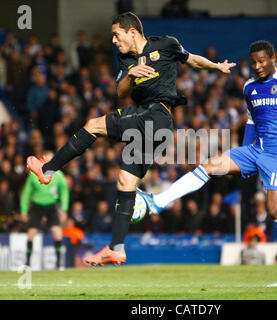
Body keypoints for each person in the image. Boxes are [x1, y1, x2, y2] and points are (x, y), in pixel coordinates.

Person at [26, 12, 235, 266]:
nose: (113, 40)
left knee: (93, 125)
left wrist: (216, 66)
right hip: (151, 124)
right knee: (125, 182)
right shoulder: (126, 59)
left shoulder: (166, 44)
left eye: (116, 34)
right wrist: (131, 74)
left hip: (156, 115)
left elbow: (192, 60)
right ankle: (117, 247)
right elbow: (121, 92)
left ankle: (47, 169)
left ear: (132, 32)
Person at [139, 40, 277, 285]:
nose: (256, 66)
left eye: (261, 61)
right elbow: (252, 122)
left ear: (272, 59)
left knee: (274, 209)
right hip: (255, 149)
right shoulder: (249, 87)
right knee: (209, 164)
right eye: (253, 61)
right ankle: (159, 201)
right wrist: (245, 152)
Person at [20, 151, 69, 269]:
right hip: (37, 205)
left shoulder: (58, 175)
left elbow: (64, 192)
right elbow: (26, 193)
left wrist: (64, 209)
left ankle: (58, 263)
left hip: (51, 205)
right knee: (31, 233)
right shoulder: (33, 175)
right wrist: (23, 211)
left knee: (57, 233)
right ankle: (27, 263)